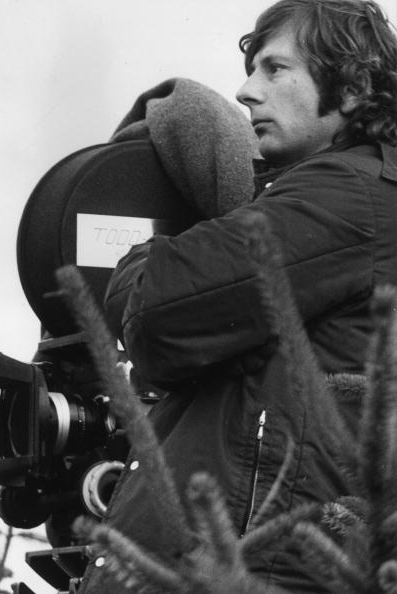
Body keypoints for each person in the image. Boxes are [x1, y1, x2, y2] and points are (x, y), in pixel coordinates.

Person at [79, 1, 397, 592]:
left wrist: (148, 250)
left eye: (275, 70)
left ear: (352, 87)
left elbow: (157, 310)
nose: (246, 91)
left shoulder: (350, 195)